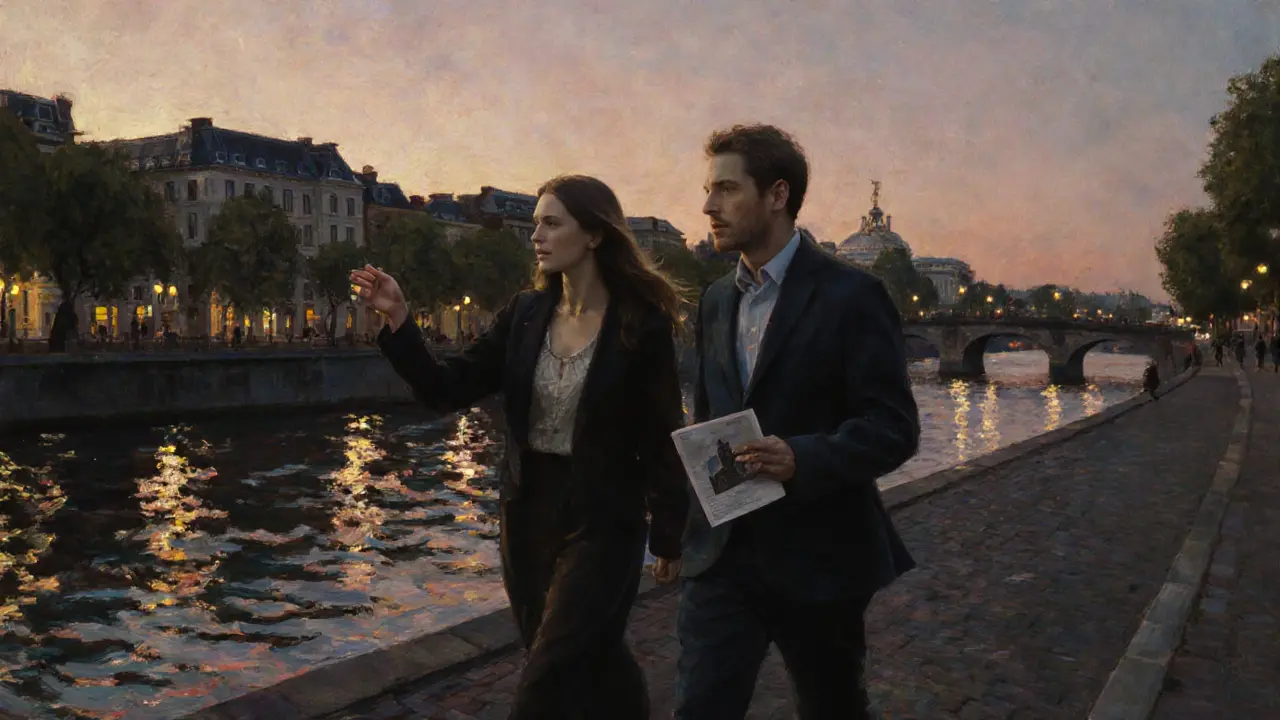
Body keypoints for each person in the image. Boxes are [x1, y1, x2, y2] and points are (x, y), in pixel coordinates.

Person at [351, 175, 689, 719]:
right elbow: (446, 389)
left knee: (549, 672)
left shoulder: (638, 324)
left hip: (604, 517)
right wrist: (399, 319)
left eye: (552, 223)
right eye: (535, 223)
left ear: (594, 235)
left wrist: (670, 533)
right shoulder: (525, 314)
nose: (536, 235)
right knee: (579, 651)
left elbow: (662, 432)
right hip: (528, 510)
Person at [667, 124, 920, 720]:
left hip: (818, 554)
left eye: (727, 189)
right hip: (724, 556)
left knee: (831, 706)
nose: (708, 206)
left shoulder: (853, 295)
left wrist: (803, 457)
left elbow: (895, 427)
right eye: (708, 190)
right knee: (700, 706)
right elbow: (710, 419)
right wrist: (681, 529)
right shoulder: (716, 299)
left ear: (777, 195)